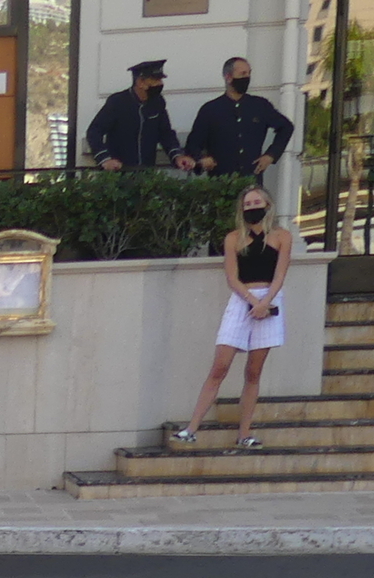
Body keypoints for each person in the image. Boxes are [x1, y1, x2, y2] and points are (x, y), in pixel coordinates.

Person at [171, 183, 292, 451]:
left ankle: (244, 433)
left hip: (269, 298)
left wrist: (265, 303)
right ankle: (191, 428)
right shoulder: (233, 238)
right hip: (242, 299)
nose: (252, 208)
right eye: (247, 204)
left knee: (253, 371)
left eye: (256, 203)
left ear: (267, 205)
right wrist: (252, 302)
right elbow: (232, 278)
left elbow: (280, 275)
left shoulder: (282, 236)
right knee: (220, 366)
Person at [187, 57, 294, 181]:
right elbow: (193, 144)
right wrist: (202, 159)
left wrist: (271, 155)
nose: (247, 77)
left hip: (251, 181)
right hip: (221, 181)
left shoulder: (259, 105)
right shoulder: (210, 109)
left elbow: (286, 127)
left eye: (249, 73)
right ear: (228, 77)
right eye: (242, 73)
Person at [87, 60, 195, 172]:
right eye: (155, 80)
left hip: (147, 173)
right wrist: (105, 159)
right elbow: (94, 131)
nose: (160, 84)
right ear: (140, 82)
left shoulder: (158, 102)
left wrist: (177, 155)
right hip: (118, 173)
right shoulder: (118, 102)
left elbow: (165, 133)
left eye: (160, 80)